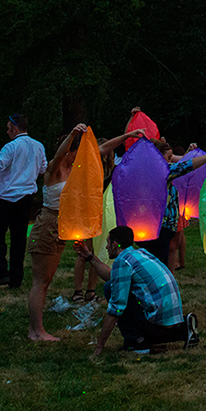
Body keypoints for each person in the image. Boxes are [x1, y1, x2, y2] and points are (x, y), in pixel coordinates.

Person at [80, 226, 198, 355]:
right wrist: (89, 256)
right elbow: (112, 277)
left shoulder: (123, 261)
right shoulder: (139, 253)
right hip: (171, 318)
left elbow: (116, 308)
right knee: (114, 285)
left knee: (110, 289)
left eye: (108, 243)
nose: (107, 247)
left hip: (158, 323)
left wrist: (99, 346)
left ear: (114, 244)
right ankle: (182, 330)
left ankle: (137, 342)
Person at [67, 125, 150, 302]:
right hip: (86, 213)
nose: (103, 154)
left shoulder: (113, 170)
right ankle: (77, 291)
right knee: (83, 251)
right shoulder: (88, 163)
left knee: (95, 252)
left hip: (102, 215)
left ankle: (90, 290)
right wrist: (128, 134)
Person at [28, 123, 90, 342]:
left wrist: (128, 134)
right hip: (47, 225)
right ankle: (36, 331)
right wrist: (74, 133)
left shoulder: (74, 170)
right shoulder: (54, 169)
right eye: (76, 151)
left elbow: (101, 151)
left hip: (60, 226)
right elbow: (59, 153)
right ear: (70, 150)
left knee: (46, 280)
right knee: (40, 282)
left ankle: (37, 328)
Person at [0, 113, 47, 293]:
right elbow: (42, 170)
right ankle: (16, 276)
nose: (7, 132)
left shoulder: (11, 147)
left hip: (6, 197)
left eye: (8, 128)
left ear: (15, 128)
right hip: (26, 198)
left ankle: (1, 272)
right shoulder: (38, 146)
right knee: (18, 238)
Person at [144, 138, 206, 270]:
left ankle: (165, 282)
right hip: (161, 226)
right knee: (158, 262)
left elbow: (183, 163)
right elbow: (187, 166)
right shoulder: (163, 171)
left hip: (156, 224)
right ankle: (162, 285)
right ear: (159, 157)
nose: (171, 160)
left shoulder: (148, 170)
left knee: (159, 258)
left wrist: (189, 153)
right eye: (169, 157)